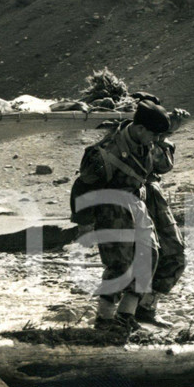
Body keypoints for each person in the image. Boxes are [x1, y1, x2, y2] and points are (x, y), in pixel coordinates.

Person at [73, 99, 188, 332]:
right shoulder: (106, 152)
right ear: (140, 128)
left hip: (136, 203)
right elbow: (82, 187)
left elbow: (163, 164)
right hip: (111, 207)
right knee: (121, 264)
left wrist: (167, 134)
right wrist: (85, 224)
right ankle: (104, 318)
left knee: (149, 256)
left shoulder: (147, 142)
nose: (156, 140)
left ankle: (126, 316)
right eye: (154, 135)